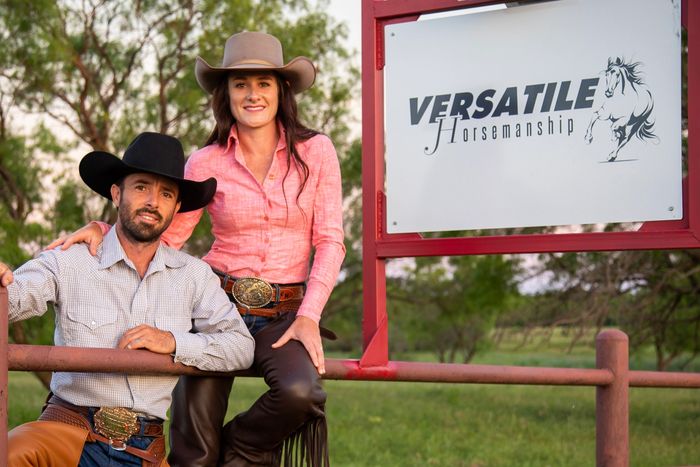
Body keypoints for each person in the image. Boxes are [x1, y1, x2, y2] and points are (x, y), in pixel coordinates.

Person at [49, 31, 346, 466]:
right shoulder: (206, 161)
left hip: (283, 314)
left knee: (300, 394)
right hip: (214, 306)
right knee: (194, 448)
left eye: (263, 83)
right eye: (240, 83)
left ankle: (242, 449)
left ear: (281, 90)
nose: (252, 94)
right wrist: (105, 228)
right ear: (225, 92)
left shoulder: (315, 152)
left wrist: (308, 317)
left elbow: (331, 240)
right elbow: (167, 234)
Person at [3, 132, 255, 467]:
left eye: (166, 193)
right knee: (9, 454)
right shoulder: (71, 259)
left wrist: (174, 342)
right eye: (141, 187)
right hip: (68, 432)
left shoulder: (194, 275)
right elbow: (17, 297)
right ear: (116, 193)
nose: (153, 201)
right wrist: (3, 282)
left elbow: (240, 346)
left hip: (145, 448)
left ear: (177, 207)